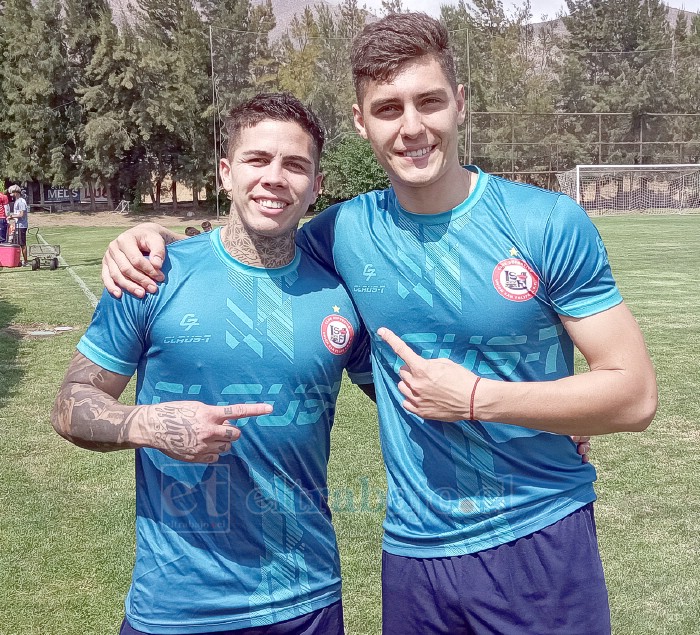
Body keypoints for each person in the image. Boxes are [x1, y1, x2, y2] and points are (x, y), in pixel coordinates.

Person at [100, 13, 653, 634]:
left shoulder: (544, 222)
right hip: (413, 559)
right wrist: (154, 241)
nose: (412, 127)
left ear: (460, 104)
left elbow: (632, 395)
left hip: (539, 533)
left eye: (430, 101)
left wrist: (484, 400)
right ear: (362, 122)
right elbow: (251, 244)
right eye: (389, 108)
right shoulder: (342, 235)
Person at [52, 93, 374, 635]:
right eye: (257, 160)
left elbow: (418, 400)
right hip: (177, 607)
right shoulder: (152, 274)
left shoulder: (341, 296)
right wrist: (147, 424)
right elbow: (70, 403)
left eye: (295, 164)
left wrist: (558, 425)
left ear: (316, 185)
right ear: (226, 172)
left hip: (305, 601)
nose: (274, 177)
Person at [7, 184, 28, 264]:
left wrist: (11, 216)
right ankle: (17, 260)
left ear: (16, 192)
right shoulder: (17, 201)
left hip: (22, 226)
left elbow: (21, 214)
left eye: (12, 193)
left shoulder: (21, 201)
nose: (11, 195)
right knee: (17, 243)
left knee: (22, 244)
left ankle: (26, 261)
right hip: (18, 225)